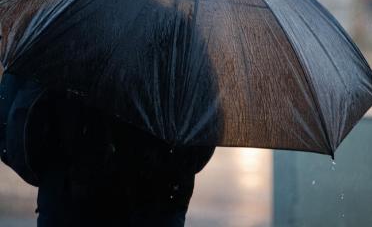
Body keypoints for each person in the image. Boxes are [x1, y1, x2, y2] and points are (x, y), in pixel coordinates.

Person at [0, 71, 215, 227]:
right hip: (156, 208)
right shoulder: (181, 40)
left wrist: (56, 176)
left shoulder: (61, 28)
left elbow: (12, 136)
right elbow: (204, 138)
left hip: (68, 207)